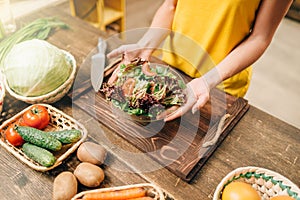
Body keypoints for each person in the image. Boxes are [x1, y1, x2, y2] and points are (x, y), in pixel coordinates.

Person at [107, 0, 293, 121]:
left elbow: (260, 38)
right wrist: (144, 47)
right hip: (171, 70)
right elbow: (171, 6)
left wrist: (207, 81)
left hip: (219, 85)